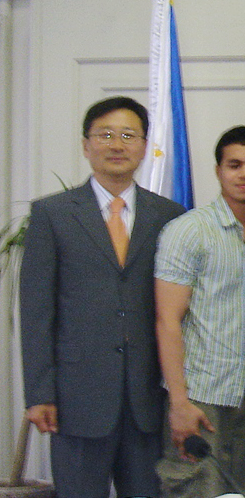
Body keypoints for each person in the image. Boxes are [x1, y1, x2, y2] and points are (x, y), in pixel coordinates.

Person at [20, 96, 186, 498]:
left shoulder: (169, 216)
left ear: (144, 147)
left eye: (128, 135)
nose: (116, 145)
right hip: (77, 400)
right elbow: (36, 311)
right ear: (86, 144)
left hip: (146, 400)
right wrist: (40, 393)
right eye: (105, 134)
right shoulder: (53, 214)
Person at [154, 125, 245, 498]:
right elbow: (167, 321)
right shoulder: (187, 232)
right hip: (201, 399)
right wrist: (179, 402)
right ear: (218, 171)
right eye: (234, 165)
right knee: (197, 489)